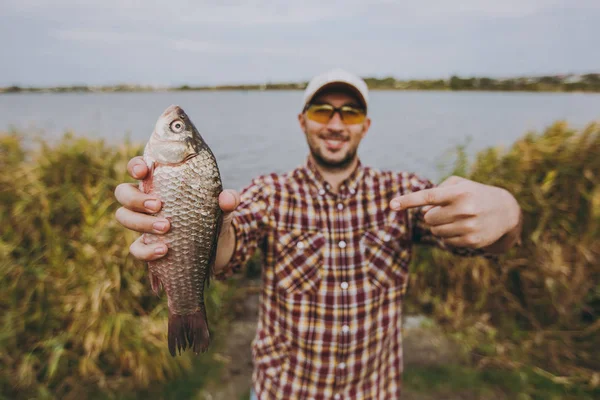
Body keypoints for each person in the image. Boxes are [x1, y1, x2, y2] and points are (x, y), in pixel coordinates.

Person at [115, 68, 523, 400]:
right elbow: (228, 250)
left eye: (349, 113)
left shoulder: (406, 193)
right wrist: (197, 226)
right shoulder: (271, 192)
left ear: (365, 125)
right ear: (302, 121)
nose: (334, 124)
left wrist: (506, 213)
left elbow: (483, 238)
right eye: (322, 110)